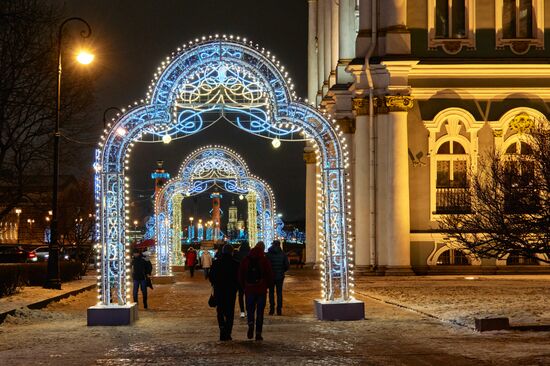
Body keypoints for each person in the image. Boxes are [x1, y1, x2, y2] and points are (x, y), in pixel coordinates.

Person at [238, 241, 273, 341]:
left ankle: (250, 324)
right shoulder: (264, 260)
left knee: (250, 310)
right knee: (260, 312)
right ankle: (258, 333)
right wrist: (268, 286)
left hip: (249, 289)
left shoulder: (246, 260)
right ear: (263, 249)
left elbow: (240, 274)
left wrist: (244, 286)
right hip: (261, 289)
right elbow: (269, 274)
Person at [209, 244, 240, 341]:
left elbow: (211, 277)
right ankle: (228, 332)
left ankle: (222, 329)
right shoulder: (236, 263)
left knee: (220, 311)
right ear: (232, 252)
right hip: (231, 291)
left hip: (219, 290)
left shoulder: (216, 263)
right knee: (230, 312)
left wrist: (215, 283)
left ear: (222, 252)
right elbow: (238, 278)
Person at [266, 240, 290, 316]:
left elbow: (266, 264)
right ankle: (279, 309)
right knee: (279, 293)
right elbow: (287, 265)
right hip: (280, 276)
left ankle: (271, 309)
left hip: (271, 276)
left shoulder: (268, 254)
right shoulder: (283, 254)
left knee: (271, 292)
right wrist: (282, 270)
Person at [233, 241, 250, 318]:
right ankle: (248, 310)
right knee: (248, 295)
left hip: (239, 276)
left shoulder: (237, 254)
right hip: (248, 277)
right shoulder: (250, 254)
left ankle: (242, 311)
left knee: (240, 295)